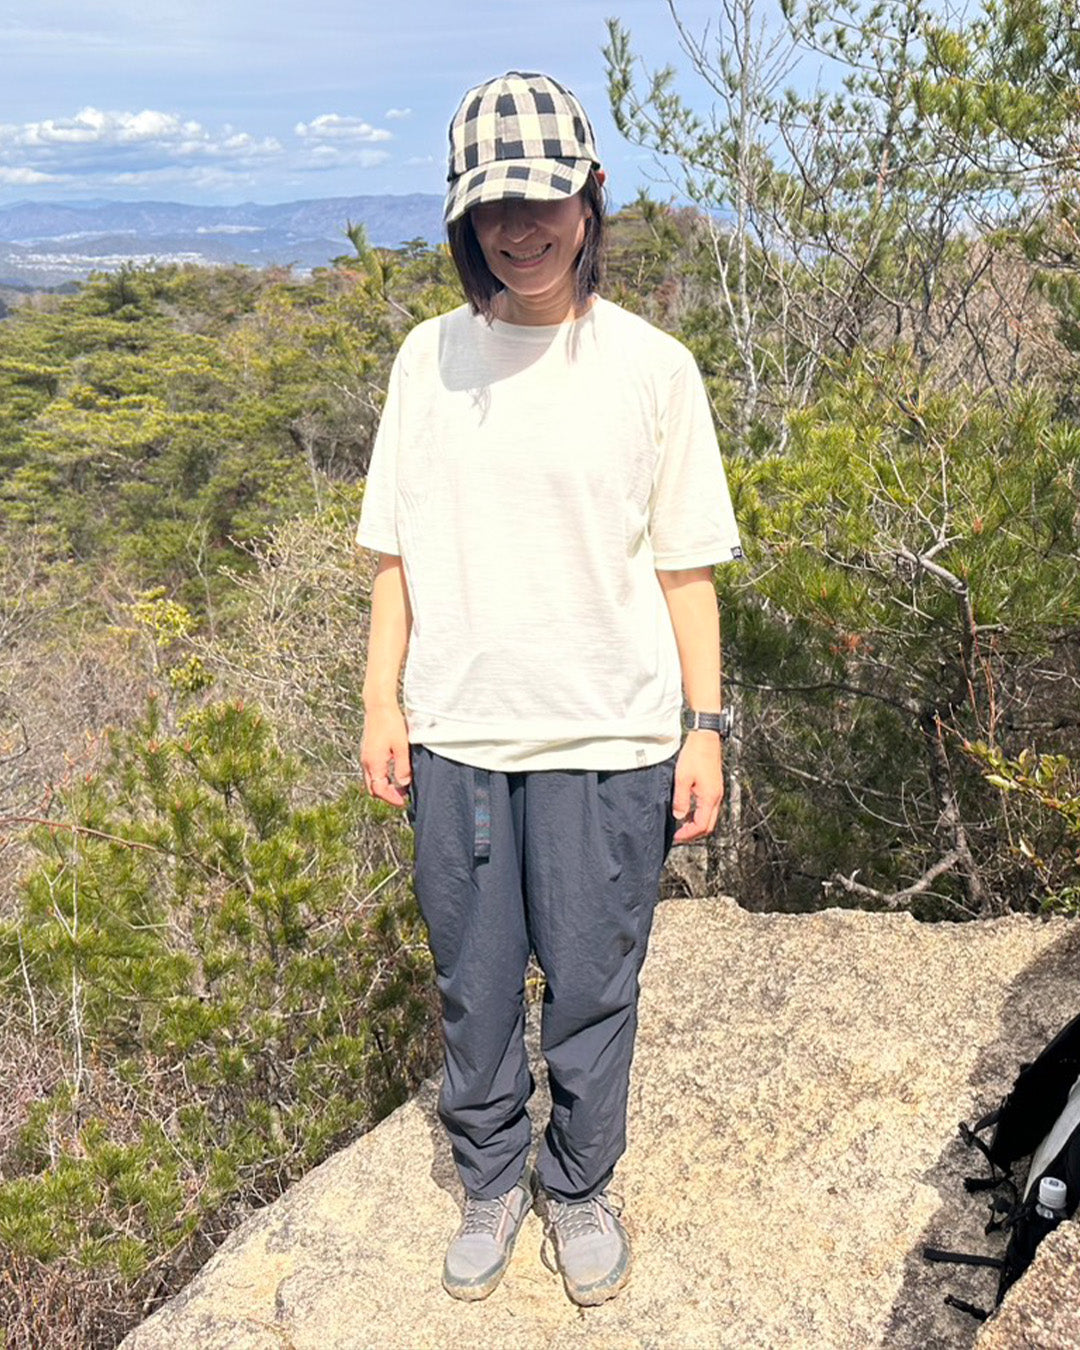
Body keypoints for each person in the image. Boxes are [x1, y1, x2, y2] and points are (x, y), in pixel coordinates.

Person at [357, 70, 741, 1308]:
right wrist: (380, 704)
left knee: (591, 985)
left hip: (610, 737)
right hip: (460, 731)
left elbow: (686, 570)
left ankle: (577, 1185)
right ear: (462, 218)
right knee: (474, 987)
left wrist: (704, 731)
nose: (519, 229)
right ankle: (488, 1180)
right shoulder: (428, 361)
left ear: (591, 196)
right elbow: (394, 557)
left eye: (541, 199)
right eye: (492, 207)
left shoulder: (652, 368)